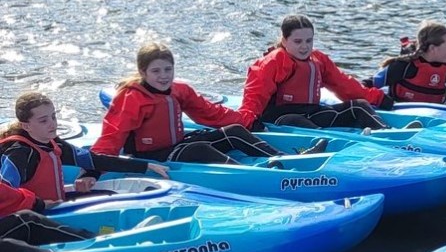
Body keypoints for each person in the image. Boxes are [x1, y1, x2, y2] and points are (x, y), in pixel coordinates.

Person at [92, 44, 313, 165]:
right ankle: (260, 175)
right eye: (156, 71)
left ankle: (286, 161)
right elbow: (112, 135)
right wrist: (93, 169)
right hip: (152, 156)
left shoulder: (180, 90)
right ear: (143, 72)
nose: (163, 76)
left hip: (177, 145)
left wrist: (248, 121)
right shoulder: (132, 99)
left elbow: (211, 114)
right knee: (199, 148)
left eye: (168, 70)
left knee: (234, 132)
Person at [3, 91, 169, 203]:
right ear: (26, 126)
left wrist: (145, 165)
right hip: (37, 215)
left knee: (113, 197)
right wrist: (39, 205)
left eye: (53, 116)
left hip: (57, 205)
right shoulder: (20, 154)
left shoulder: (53, 144)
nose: (53, 124)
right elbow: (6, 194)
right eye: (43, 120)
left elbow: (94, 160)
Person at [240, 14, 392, 131]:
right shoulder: (273, 61)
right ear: (285, 41)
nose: (304, 47)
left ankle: (387, 133)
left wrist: (377, 98)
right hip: (280, 118)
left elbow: (345, 85)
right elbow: (254, 96)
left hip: (312, 113)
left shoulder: (318, 59)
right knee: (295, 120)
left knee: (359, 106)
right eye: (298, 41)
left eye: (309, 41)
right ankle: (324, 143)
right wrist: (248, 121)